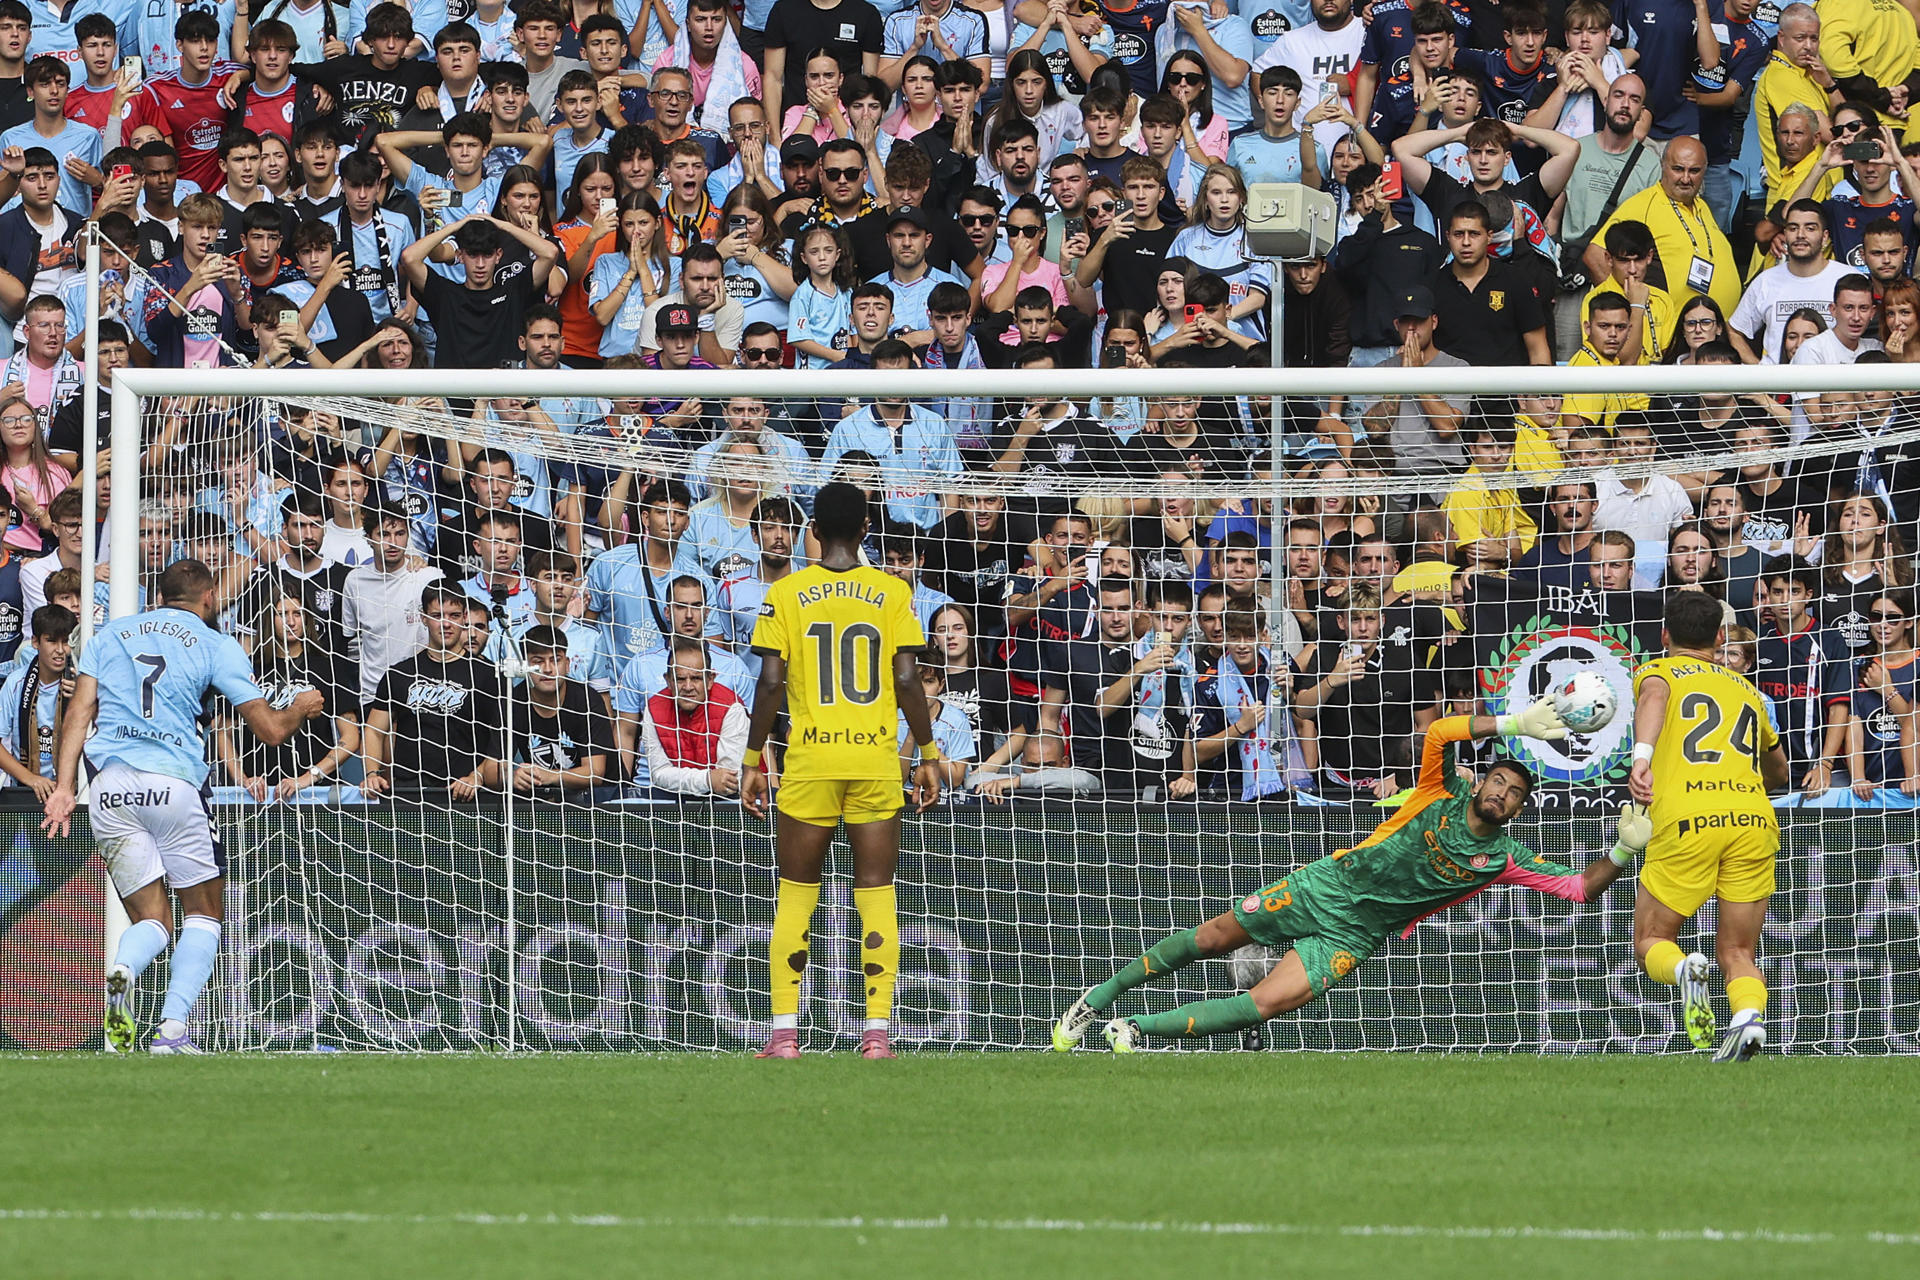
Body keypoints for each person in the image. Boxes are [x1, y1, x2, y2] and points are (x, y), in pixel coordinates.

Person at [1052, 698, 1643, 1051]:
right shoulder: (1439, 791)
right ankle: (1097, 999)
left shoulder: (1505, 858)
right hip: (1322, 887)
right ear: (1483, 781)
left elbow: (1578, 888)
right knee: (1210, 939)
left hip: (1355, 935)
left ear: (1518, 810)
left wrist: (1621, 850)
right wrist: (1512, 725)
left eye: (1514, 794)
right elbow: (1438, 732)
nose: (1502, 794)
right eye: (1498, 782)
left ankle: (1134, 1028)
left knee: (1266, 1003)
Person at [43, 559, 325, 1055]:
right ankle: (171, 1031)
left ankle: (123, 969)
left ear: (158, 597)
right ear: (210, 598)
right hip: (173, 784)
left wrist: (65, 788)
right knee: (204, 913)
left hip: (110, 788)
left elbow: (79, 711)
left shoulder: (110, 636)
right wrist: (300, 707)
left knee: (152, 921)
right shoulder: (216, 644)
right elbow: (270, 730)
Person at [741, 482, 941, 1060]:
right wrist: (928, 754)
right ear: (865, 529)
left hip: (811, 760)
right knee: (876, 892)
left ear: (812, 531)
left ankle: (784, 1035)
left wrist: (753, 759)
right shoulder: (892, 591)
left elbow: (771, 683)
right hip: (874, 758)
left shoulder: (786, 592)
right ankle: (876, 1034)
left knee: (796, 894)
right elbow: (907, 679)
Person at [1628, 590, 1790, 1062]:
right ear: (1720, 637)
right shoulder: (1747, 690)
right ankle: (1748, 1019)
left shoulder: (1658, 672)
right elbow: (1779, 770)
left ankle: (1683, 971)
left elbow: (1654, 698)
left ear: (1665, 636)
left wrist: (1642, 759)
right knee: (1738, 950)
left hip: (1689, 817)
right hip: (1752, 819)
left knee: (1652, 939)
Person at [641, 636, 750, 797]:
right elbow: (659, 773)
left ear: (710, 680)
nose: (688, 687)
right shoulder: (653, 708)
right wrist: (707, 779)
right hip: (677, 800)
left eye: (696, 678)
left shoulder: (732, 707)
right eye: (680, 679)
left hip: (738, 800)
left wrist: (708, 780)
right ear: (668, 681)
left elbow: (729, 781)